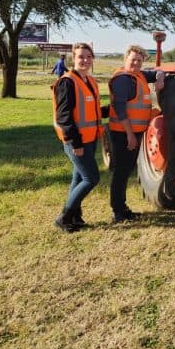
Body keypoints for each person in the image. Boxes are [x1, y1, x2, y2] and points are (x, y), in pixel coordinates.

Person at [107, 45, 164, 223]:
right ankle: (118, 211)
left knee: (126, 170)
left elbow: (154, 73)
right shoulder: (123, 80)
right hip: (123, 133)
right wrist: (130, 135)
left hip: (135, 132)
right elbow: (120, 109)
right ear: (125, 59)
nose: (136, 63)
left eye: (139, 60)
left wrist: (159, 78)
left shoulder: (138, 75)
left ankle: (122, 208)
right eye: (133, 60)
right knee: (120, 172)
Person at [52, 42, 105, 232]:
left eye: (88, 57)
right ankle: (64, 217)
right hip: (77, 141)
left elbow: (91, 110)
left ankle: (75, 216)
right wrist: (75, 143)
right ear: (73, 58)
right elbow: (64, 117)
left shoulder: (89, 81)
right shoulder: (67, 82)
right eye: (81, 57)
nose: (85, 60)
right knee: (91, 178)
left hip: (90, 139)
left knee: (79, 177)